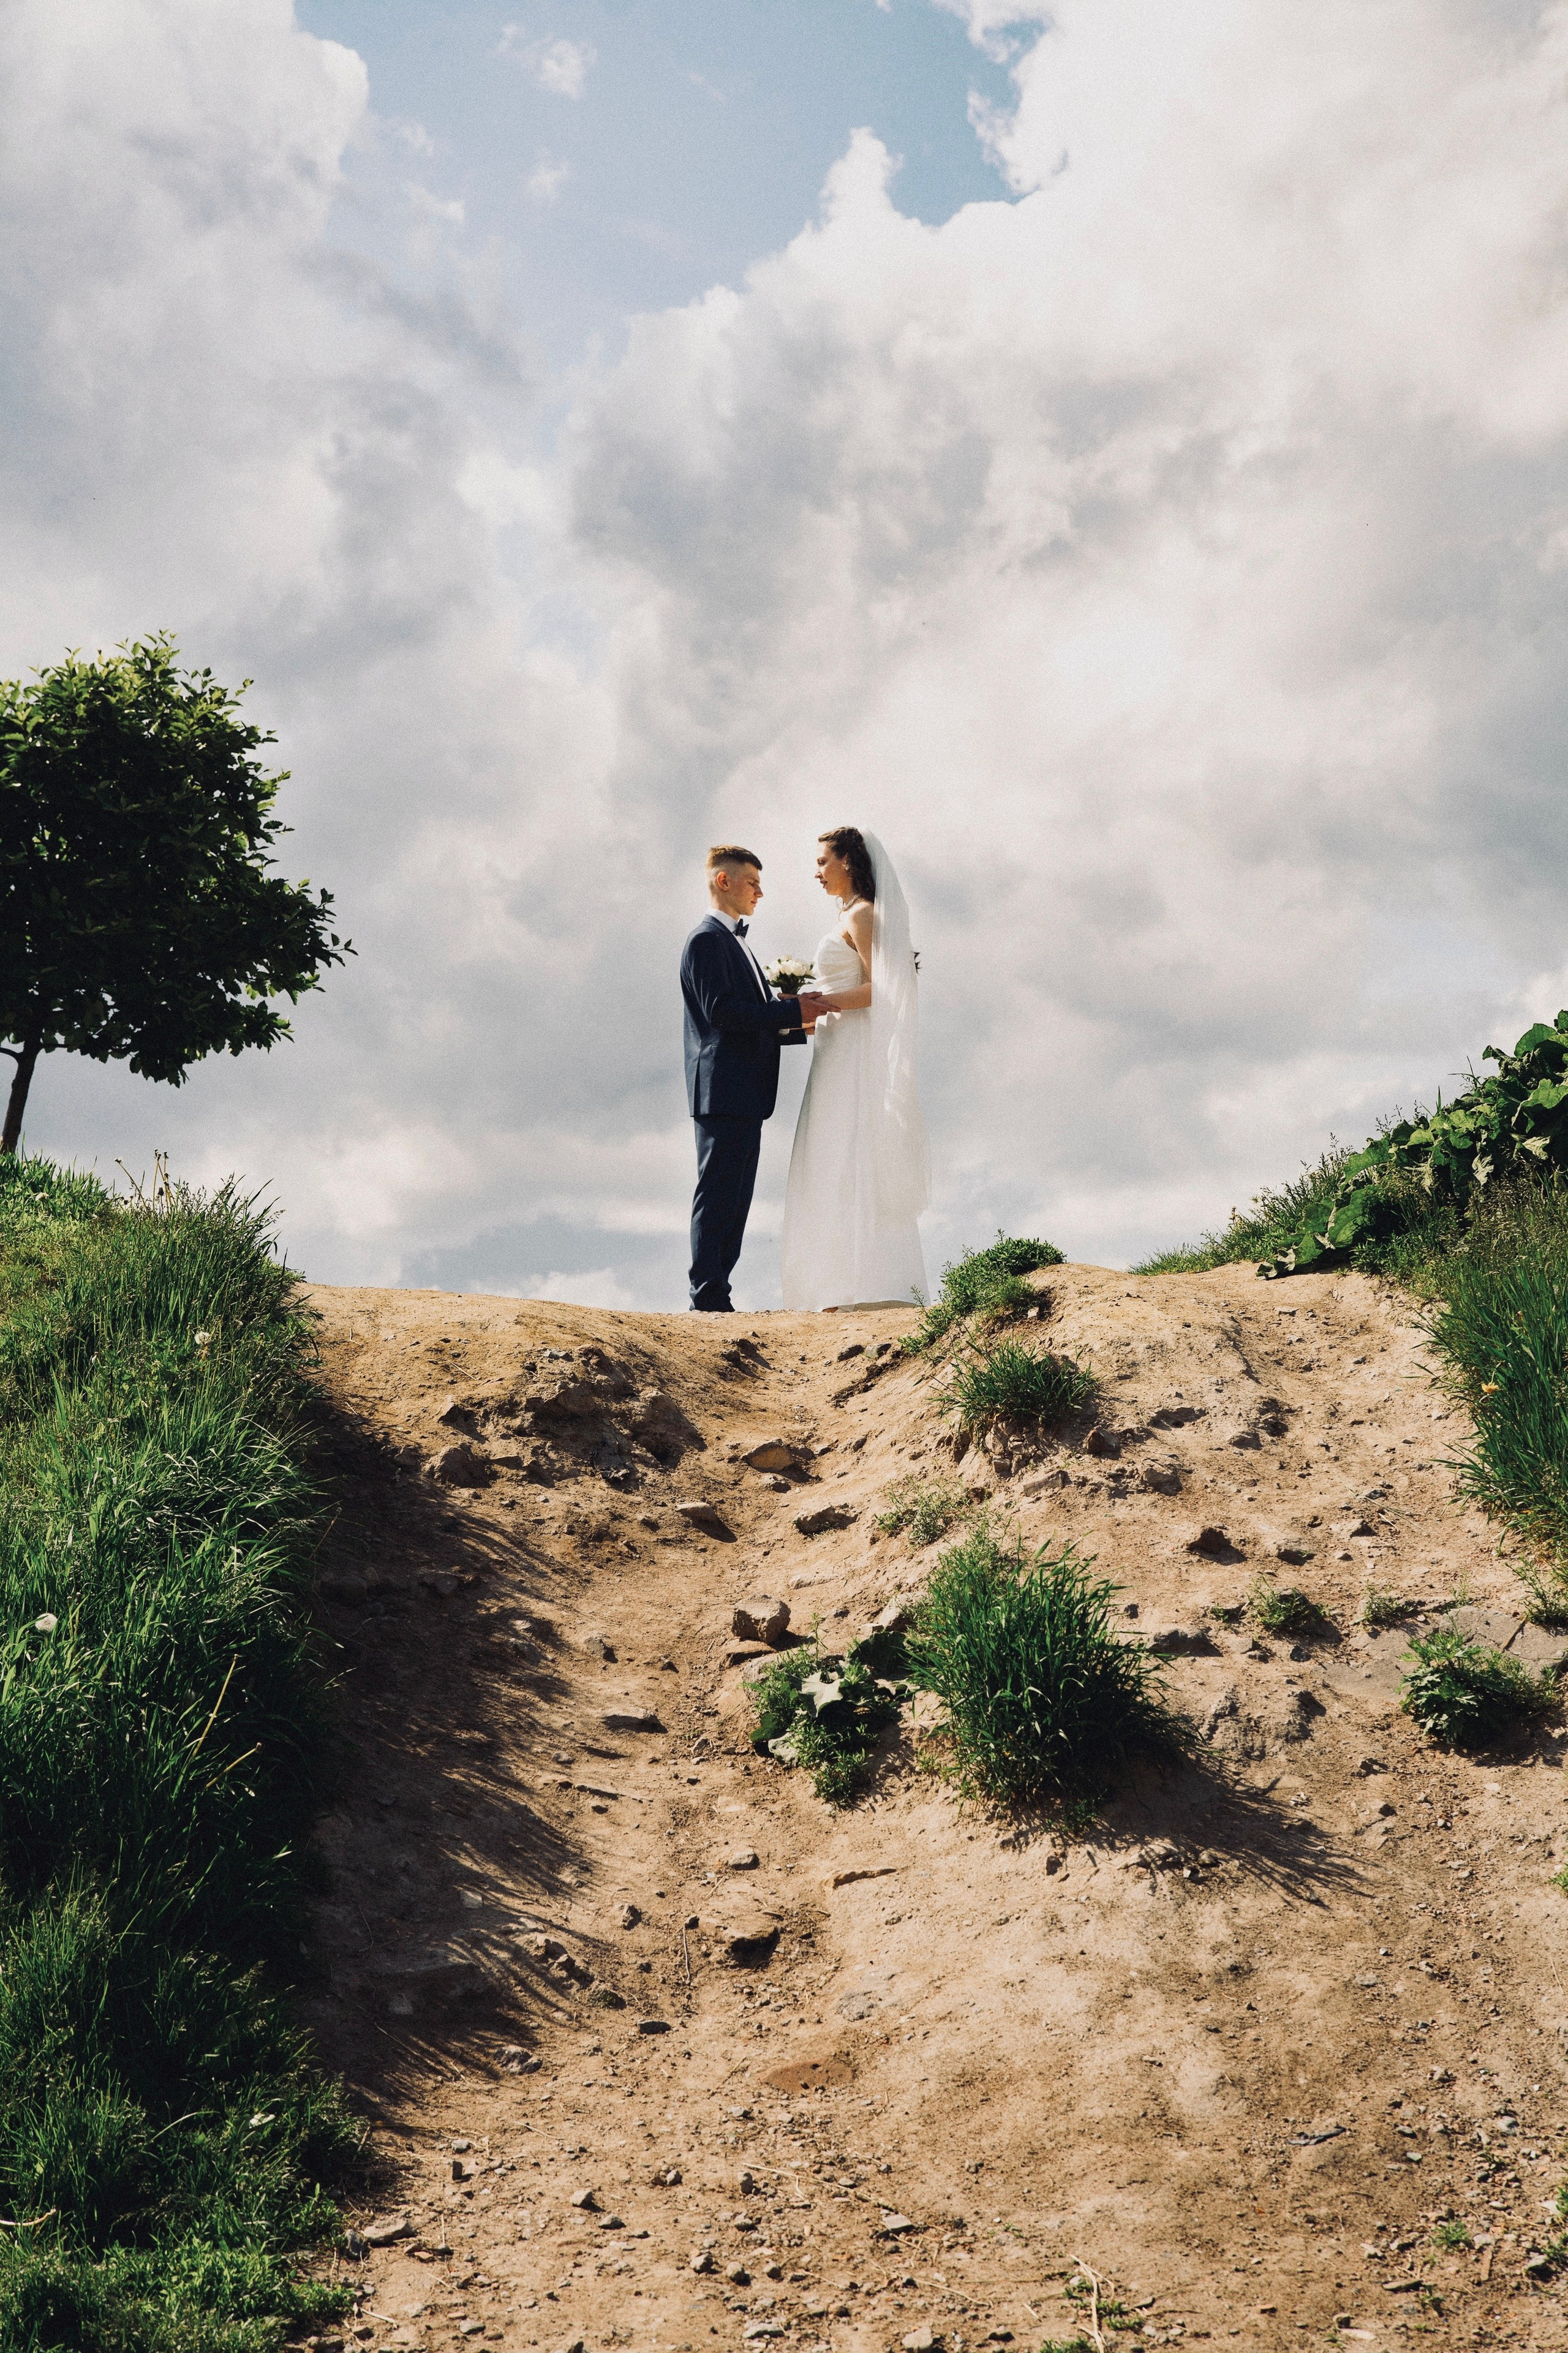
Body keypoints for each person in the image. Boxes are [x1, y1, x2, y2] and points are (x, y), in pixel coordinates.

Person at [781, 826, 930, 1310]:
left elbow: (881, 989)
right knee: (828, 1152)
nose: (817, 871)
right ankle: (831, 1281)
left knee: (851, 1148)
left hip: (852, 1050)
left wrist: (818, 1002)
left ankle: (864, 1283)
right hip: (833, 1046)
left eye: (824, 861)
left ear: (849, 861)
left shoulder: (864, 914)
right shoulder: (849, 915)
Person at [680, 845, 831, 1313]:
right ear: (724, 882)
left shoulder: (737, 941)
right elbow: (721, 1013)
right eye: (753, 883)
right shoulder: (706, 940)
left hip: (744, 1092)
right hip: (722, 1090)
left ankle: (718, 1291)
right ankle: (707, 1297)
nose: (760, 893)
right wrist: (790, 1009)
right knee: (719, 1191)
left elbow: (751, 1017)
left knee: (737, 1196)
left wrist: (797, 1019)